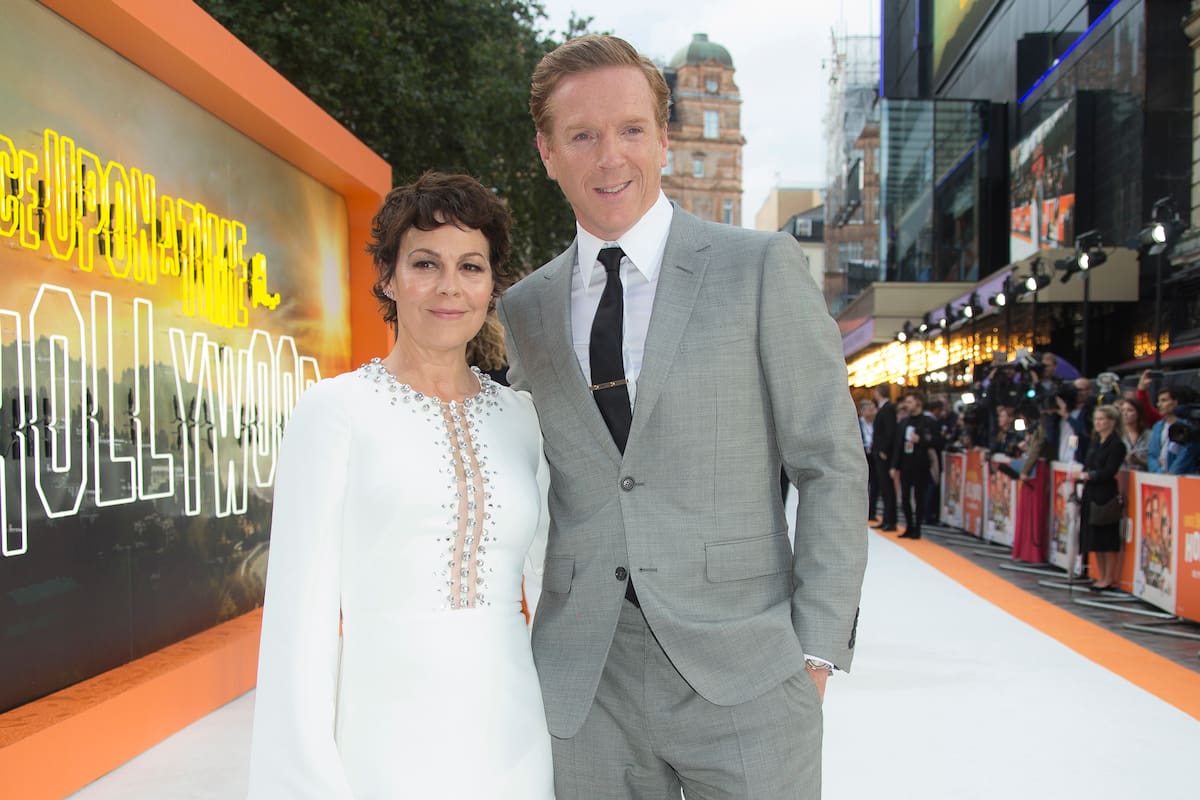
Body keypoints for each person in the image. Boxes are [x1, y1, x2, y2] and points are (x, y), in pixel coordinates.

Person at [497, 34, 867, 800]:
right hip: (586, 683)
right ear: (546, 151)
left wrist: (816, 653)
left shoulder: (759, 267)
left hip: (751, 673)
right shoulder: (524, 310)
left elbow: (830, 461)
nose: (610, 158)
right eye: (582, 135)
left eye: (631, 129)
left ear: (666, 139)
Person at [247, 173, 554, 798]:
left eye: (471, 266)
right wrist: (305, 782)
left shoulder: (522, 418)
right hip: (385, 746)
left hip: (518, 740)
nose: (449, 287)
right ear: (387, 277)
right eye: (424, 263)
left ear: (492, 284)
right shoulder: (335, 410)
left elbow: (549, 587)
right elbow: (297, 624)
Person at [1078, 405, 1127, 590]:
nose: (1098, 423)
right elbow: (1087, 463)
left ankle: (1109, 576)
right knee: (1095, 538)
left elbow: (1109, 471)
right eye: (1096, 419)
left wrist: (1090, 475)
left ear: (1112, 422)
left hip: (1105, 494)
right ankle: (1100, 574)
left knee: (1106, 538)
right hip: (1091, 492)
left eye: (1102, 419)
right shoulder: (1095, 442)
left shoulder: (1117, 445)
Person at [890, 390, 941, 540]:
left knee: (919, 496)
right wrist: (894, 465)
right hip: (906, 464)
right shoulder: (904, 422)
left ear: (919, 402)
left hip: (921, 464)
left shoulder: (928, 421)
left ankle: (917, 527)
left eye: (910, 402)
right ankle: (909, 525)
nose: (907, 405)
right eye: (906, 402)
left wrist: (921, 440)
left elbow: (937, 442)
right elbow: (898, 445)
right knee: (905, 497)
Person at [1011, 401, 1049, 563]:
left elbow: (1036, 450)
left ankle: (1031, 551)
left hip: (1035, 472)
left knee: (1033, 512)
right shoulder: (1035, 430)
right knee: (1027, 511)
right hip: (1031, 470)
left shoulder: (1041, 428)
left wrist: (1025, 470)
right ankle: (1026, 551)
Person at [1147, 386, 1200, 475]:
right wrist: (1159, 472)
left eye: (1164, 400)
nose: (1159, 404)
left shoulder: (1188, 426)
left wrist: (1172, 473)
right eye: (1158, 401)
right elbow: (1152, 454)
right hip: (1160, 476)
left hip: (1182, 477)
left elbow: (1187, 452)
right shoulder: (1157, 426)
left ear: (1175, 402)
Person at [872, 383, 900, 530]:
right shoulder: (884, 408)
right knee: (884, 488)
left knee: (887, 488)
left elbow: (890, 431)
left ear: (879, 392)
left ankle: (891, 520)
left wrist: (884, 449)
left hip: (884, 454)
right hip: (880, 452)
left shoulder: (888, 409)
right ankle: (887, 519)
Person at [1118, 396, 1151, 471]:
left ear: (1138, 413)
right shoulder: (1117, 435)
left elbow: (1155, 462)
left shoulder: (1150, 435)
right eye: (1123, 410)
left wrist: (1140, 461)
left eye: (1130, 410)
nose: (1125, 414)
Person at [859, 398, 879, 519]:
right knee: (863, 484)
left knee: (875, 484)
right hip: (862, 455)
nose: (872, 412)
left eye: (873, 409)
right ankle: (862, 510)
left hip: (874, 456)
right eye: (869, 410)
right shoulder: (857, 423)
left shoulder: (877, 423)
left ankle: (872, 511)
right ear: (862, 411)